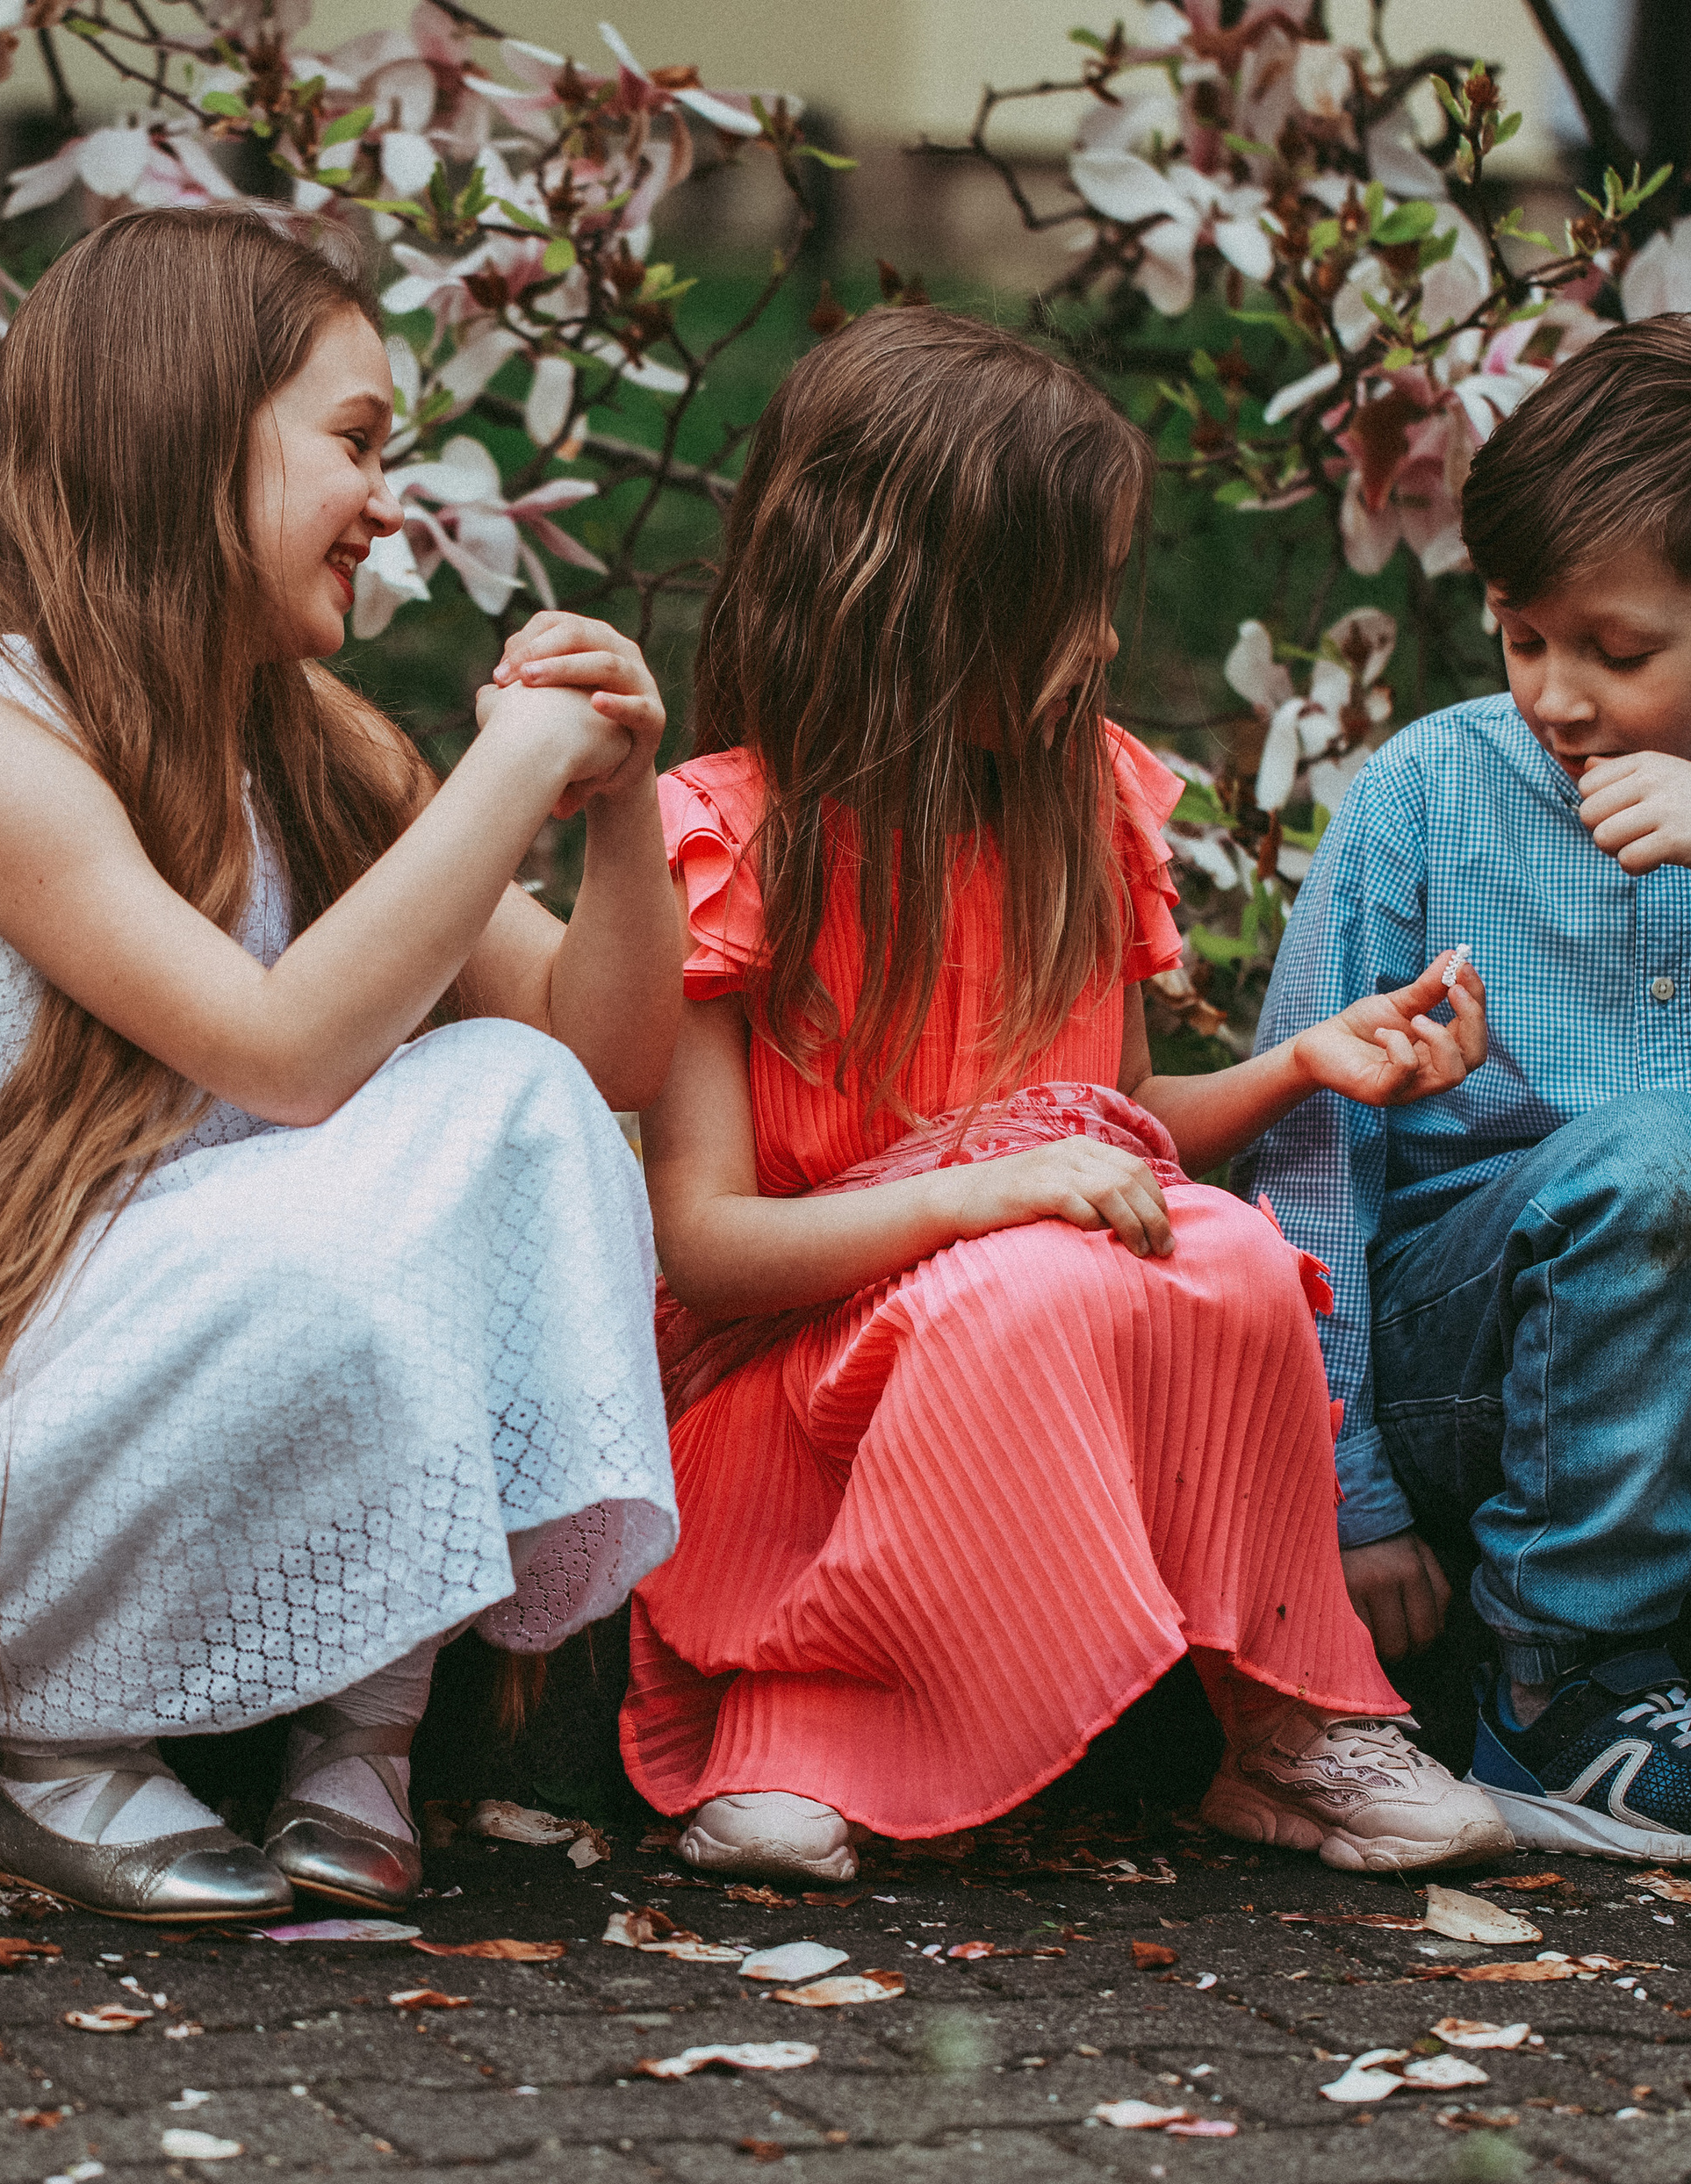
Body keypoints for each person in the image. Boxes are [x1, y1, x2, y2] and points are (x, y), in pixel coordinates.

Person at [0, 206, 682, 1922]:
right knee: (408, 1140)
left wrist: (614, 809)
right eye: (354, 442)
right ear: (186, 437)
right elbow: (284, 1051)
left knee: (519, 1100)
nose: (389, 501)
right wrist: (510, 767)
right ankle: (56, 1744)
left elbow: (601, 1050)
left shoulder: (323, 749)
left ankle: (358, 1739)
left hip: (161, 1360)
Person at [620, 306, 1509, 1886]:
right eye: (1069, 598)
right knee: (1027, 1283)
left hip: (1024, 1314)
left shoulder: (1079, 805)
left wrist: (1304, 1065)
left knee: (1226, 1251)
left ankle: (1289, 1720)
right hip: (798, 1387)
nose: (1103, 637)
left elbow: (1112, 1127)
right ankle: (803, 1724)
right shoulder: (724, 840)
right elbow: (706, 1249)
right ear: (922, 610)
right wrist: (992, 1202)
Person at [1243, 314, 1691, 1860]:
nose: (1557, 696)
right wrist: (1346, 1494)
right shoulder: (1431, 796)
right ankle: (1558, 1695)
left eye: (1618, 654)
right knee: (1657, 1156)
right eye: (1521, 637)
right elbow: (1306, 1158)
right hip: (1469, 1362)